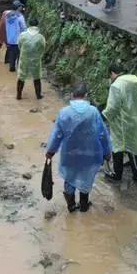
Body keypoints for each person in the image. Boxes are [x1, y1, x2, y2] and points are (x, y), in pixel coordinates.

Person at [46, 83, 112, 213]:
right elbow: (102, 133)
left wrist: (50, 151)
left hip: (70, 154)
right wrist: (107, 151)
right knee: (86, 177)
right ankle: (84, 205)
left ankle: (71, 206)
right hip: (90, 152)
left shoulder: (64, 113)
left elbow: (57, 135)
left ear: (72, 95)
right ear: (86, 96)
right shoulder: (93, 112)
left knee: (69, 177)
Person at [103, 63, 137, 182]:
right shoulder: (134, 80)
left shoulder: (116, 86)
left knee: (117, 148)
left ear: (112, 73)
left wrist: (104, 115)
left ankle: (117, 175)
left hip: (121, 122)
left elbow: (113, 107)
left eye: (110, 76)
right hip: (134, 118)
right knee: (131, 147)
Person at [17, 17, 46, 100]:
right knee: (37, 78)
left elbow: (19, 45)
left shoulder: (22, 35)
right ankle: (38, 96)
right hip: (35, 59)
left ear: (29, 24)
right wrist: (38, 55)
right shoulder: (40, 37)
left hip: (24, 59)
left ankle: (18, 95)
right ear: (37, 25)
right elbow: (42, 48)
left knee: (21, 77)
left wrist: (23, 53)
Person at [4, 1, 27, 72]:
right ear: (17, 8)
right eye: (20, 6)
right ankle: (19, 68)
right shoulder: (20, 16)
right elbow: (23, 28)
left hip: (10, 39)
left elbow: (6, 26)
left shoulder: (7, 15)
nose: (21, 7)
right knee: (20, 54)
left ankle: (12, 67)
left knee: (12, 54)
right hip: (18, 39)